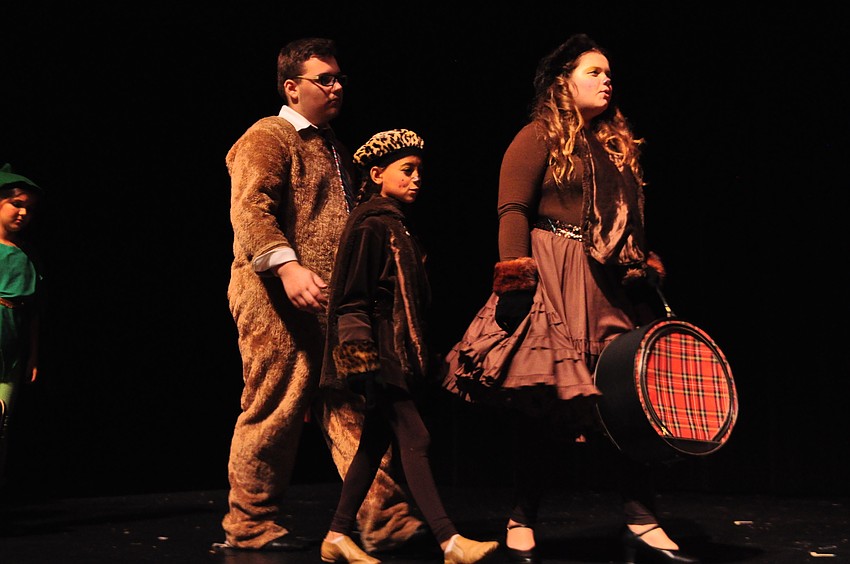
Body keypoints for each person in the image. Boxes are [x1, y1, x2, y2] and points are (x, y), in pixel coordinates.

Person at [442, 34, 699, 564]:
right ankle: (522, 516)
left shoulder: (612, 146)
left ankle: (640, 515)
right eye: (594, 71)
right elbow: (512, 209)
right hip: (553, 274)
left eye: (609, 73)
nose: (607, 79)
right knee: (544, 405)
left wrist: (642, 267)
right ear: (564, 80)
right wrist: (514, 283)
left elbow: (627, 224)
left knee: (623, 402)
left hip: (605, 283)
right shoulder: (536, 137)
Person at [216, 38, 425, 553]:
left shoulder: (332, 146)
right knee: (275, 408)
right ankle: (250, 526)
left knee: (354, 407)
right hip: (274, 300)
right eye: (323, 79)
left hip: (333, 304)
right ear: (292, 87)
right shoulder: (269, 135)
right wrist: (287, 268)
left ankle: (385, 521)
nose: (336, 87)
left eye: (338, 79)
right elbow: (250, 211)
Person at [319, 129, 500, 564]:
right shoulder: (371, 224)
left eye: (420, 170)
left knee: (372, 443)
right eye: (407, 170)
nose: (417, 178)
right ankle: (450, 542)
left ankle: (336, 536)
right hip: (378, 352)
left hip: (395, 352)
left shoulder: (396, 225)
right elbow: (352, 300)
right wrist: (360, 365)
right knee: (416, 437)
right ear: (378, 174)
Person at [0, 163, 43, 484]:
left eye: (28, 208)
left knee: (2, 421)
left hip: (13, 343)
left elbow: (32, 311)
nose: (22, 213)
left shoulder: (27, 254)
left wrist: (32, 355)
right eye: (16, 204)